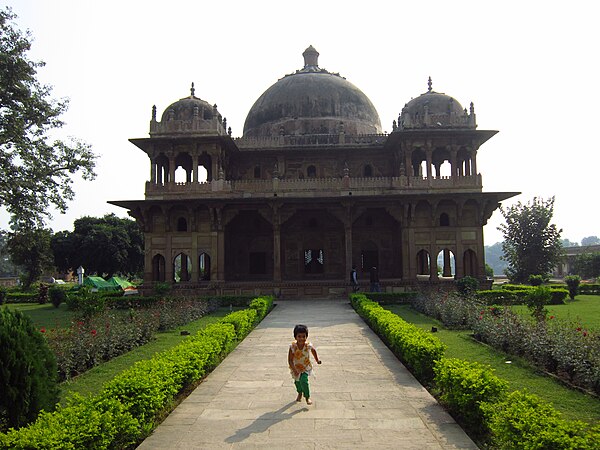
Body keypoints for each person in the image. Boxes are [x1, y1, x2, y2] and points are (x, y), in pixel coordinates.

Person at [288, 324, 321, 405]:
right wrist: (294, 370)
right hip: (295, 367)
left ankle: (307, 396)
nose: (301, 338)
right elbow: (290, 360)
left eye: (304, 336)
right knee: (297, 382)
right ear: (295, 337)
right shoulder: (293, 346)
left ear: (306, 337)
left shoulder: (308, 345)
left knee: (304, 381)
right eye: (299, 336)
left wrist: (317, 360)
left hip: (305, 367)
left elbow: (313, 350)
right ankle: (299, 392)